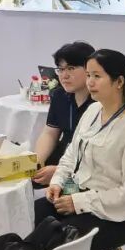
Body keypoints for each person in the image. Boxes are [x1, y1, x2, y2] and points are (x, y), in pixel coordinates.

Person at [35, 50, 125, 250]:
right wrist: (57, 182)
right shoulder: (92, 111)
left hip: (115, 215)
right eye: (88, 75)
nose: (90, 82)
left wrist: (79, 202)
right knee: (31, 216)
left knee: (54, 243)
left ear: (119, 82)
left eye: (97, 76)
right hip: (77, 195)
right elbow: (71, 155)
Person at [32, 41, 95, 187]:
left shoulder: (100, 102)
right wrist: (37, 162)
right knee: (29, 179)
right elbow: (50, 133)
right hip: (64, 153)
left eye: (71, 68)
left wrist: (60, 172)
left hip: (88, 164)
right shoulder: (60, 95)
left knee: (62, 188)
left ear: (90, 69)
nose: (64, 75)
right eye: (60, 69)